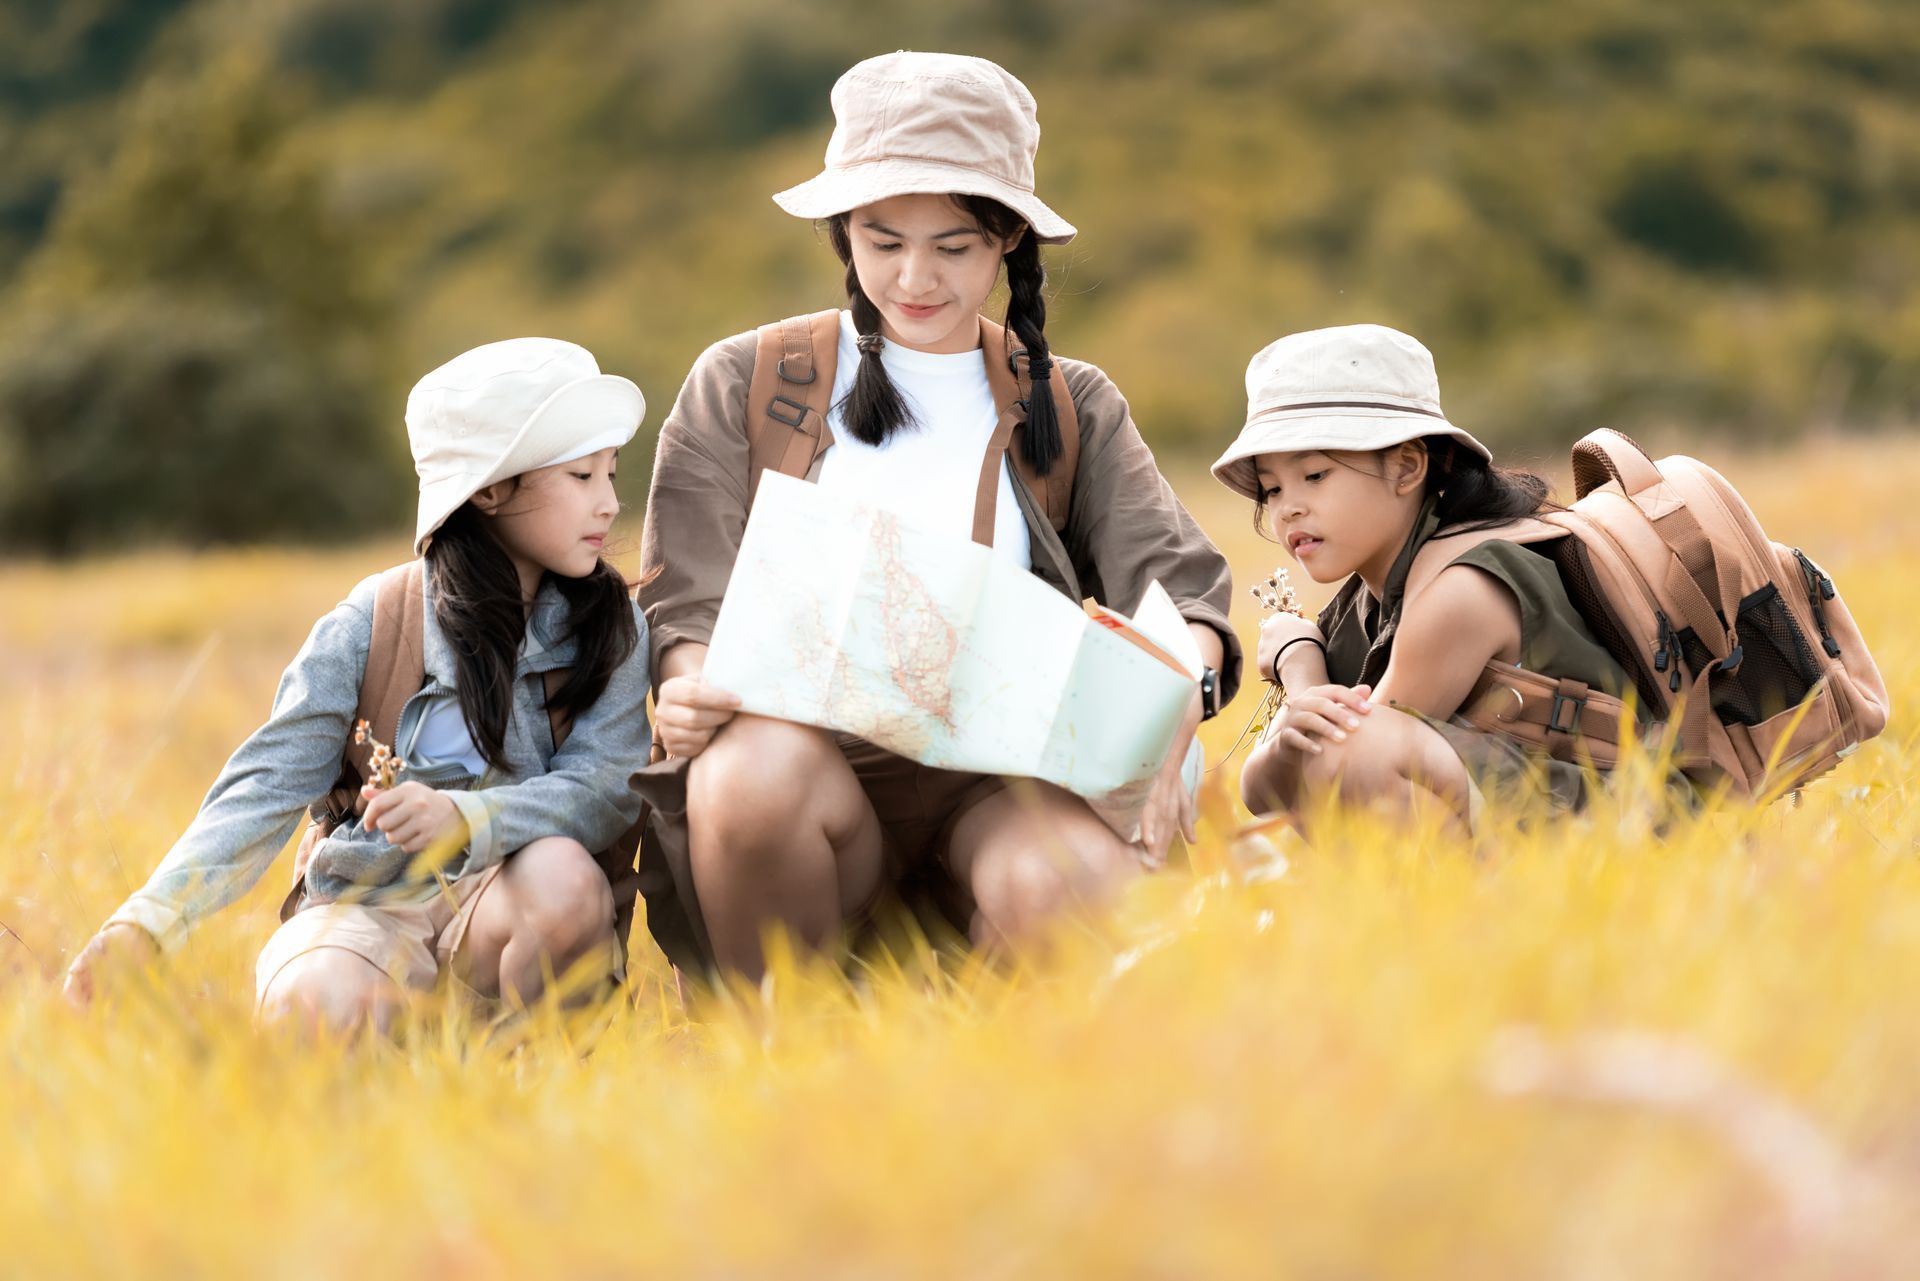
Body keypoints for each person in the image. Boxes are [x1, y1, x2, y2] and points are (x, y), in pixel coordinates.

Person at [635, 52, 1240, 979]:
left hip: (1001, 785)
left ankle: (1001, 1063)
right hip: (802, 774)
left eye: (953, 246)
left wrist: (1176, 707)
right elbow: (686, 599)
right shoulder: (745, 383)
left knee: (1073, 886)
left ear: (1007, 241)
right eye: (883, 241)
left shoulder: (1070, 401)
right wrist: (687, 686)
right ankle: (781, 1054)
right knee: (748, 778)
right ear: (843, 234)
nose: (915, 277)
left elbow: (1184, 593)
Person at [63, 338, 653, 1033]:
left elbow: (607, 786)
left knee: (562, 874)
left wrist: (469, 821)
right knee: (308, 1004)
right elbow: (265, 783)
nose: (610, 503)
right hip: (367, 904)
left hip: (510, 905)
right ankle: (376, 1064)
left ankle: (513, 1070)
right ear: (490, 490)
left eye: (611, 473)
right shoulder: (369, 624)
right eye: (582, 476)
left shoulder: (612, 626)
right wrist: (153, 919)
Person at [1214, 324, 1670, 831]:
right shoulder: (1363, 605)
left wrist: (1299, 667)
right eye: (1271, 489)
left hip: (1634, 826)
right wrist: (1300, 693)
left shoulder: (1463, 590)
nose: (1289, 509)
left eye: (1315, 476)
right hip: (1543, 817)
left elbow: (1336, 760)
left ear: (1406, 468)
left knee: (1353, 762)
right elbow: (1263, 792)